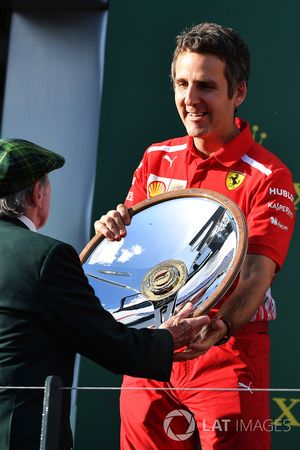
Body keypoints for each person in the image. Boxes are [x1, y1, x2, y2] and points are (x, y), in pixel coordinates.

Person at [94, 22, 296, 450]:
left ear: (238, 92)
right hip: (153, 352)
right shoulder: (156, 157)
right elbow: (132, 253)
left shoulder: (269, 176)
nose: (190, 100)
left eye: (205, 86)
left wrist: (219, 328)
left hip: (227, 354)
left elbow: (257, 277)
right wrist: (111, 233)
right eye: (182, 84)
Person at [0, 138, 211, 450]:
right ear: (36, 193)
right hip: (19, 435)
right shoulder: (45, 257)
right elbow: (105, 341)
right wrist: (167, 338)